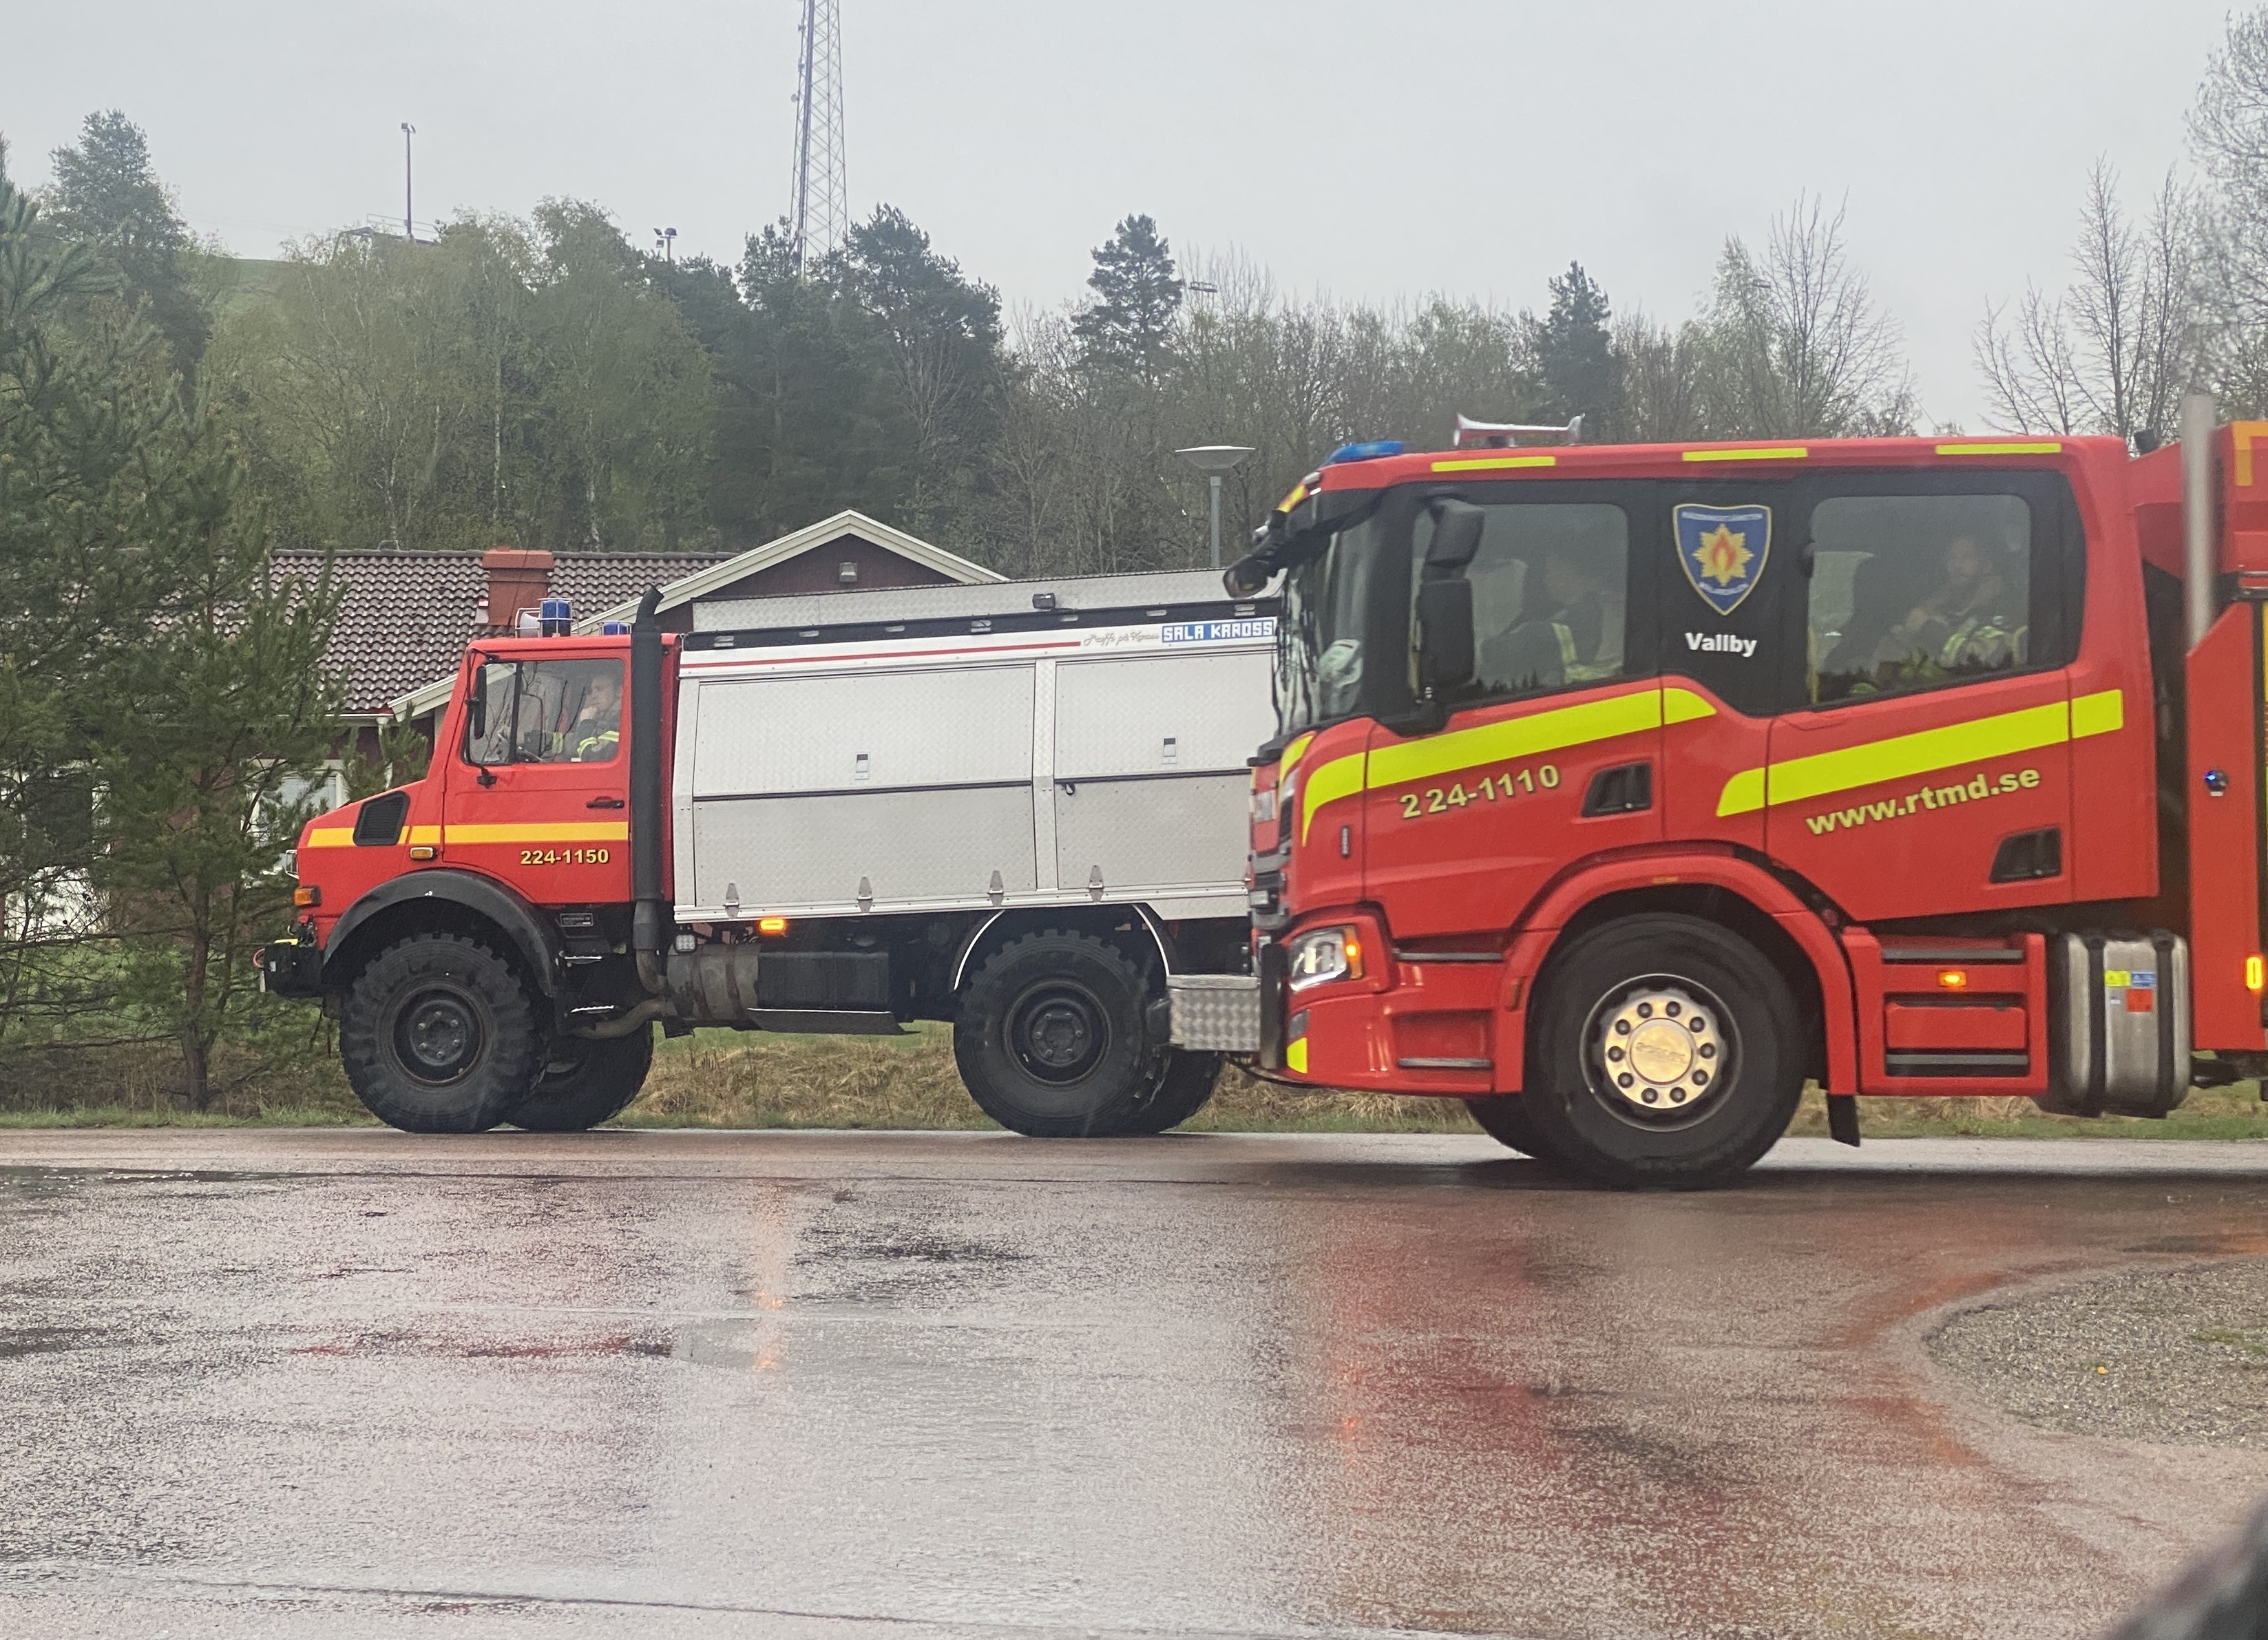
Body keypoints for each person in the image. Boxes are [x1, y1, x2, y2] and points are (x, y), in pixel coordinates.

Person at [1869, 534, 2023, 684]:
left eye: (1967, 557)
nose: (1957, 566)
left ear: (1986, 565)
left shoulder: (2001, 607)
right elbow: (1897, 651)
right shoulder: (1941, 605)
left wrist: (1927, 628)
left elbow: (1987, 662)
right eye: (1952, 558)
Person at [568, 670, 622, 763]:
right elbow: (572, 743)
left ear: (619, 691)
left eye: (599, 689)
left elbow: (592, 759)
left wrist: (587, 723)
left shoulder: (619, 721)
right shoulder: (605, 719)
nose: (593, 696)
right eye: (591, 691)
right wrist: (540, 738)